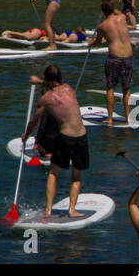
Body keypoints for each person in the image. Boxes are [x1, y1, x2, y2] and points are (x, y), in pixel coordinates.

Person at [22, 64, 89, 218]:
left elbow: (34, 122)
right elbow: (55, 84)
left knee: (53, 173)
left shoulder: (45, 99)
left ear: (45, 78)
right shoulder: (69, 89)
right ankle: (72, 211)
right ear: (60, 78)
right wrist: (40, 81)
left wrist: (26, 135)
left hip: (65, 137)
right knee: (76, 176)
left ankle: (48, 211)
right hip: (82, 137)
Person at [88, 2, 133, 125]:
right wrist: (113, 9)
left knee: (110, 88)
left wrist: (89, 45)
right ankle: (128, 117)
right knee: (126, 89)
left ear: (102, 12)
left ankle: (110, 118)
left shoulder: (102, 26)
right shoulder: (122, 18)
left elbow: (97, 42)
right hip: (128, 58)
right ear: (113, 9)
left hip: (114, 59)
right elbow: (118, 13)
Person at [28, 75, 60, 159]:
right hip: (60, 142)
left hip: (48, 147)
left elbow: (42, 126)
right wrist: (39, 81)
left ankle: (46, 152)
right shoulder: (61, 97)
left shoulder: (47, 104)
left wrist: (37, 142)